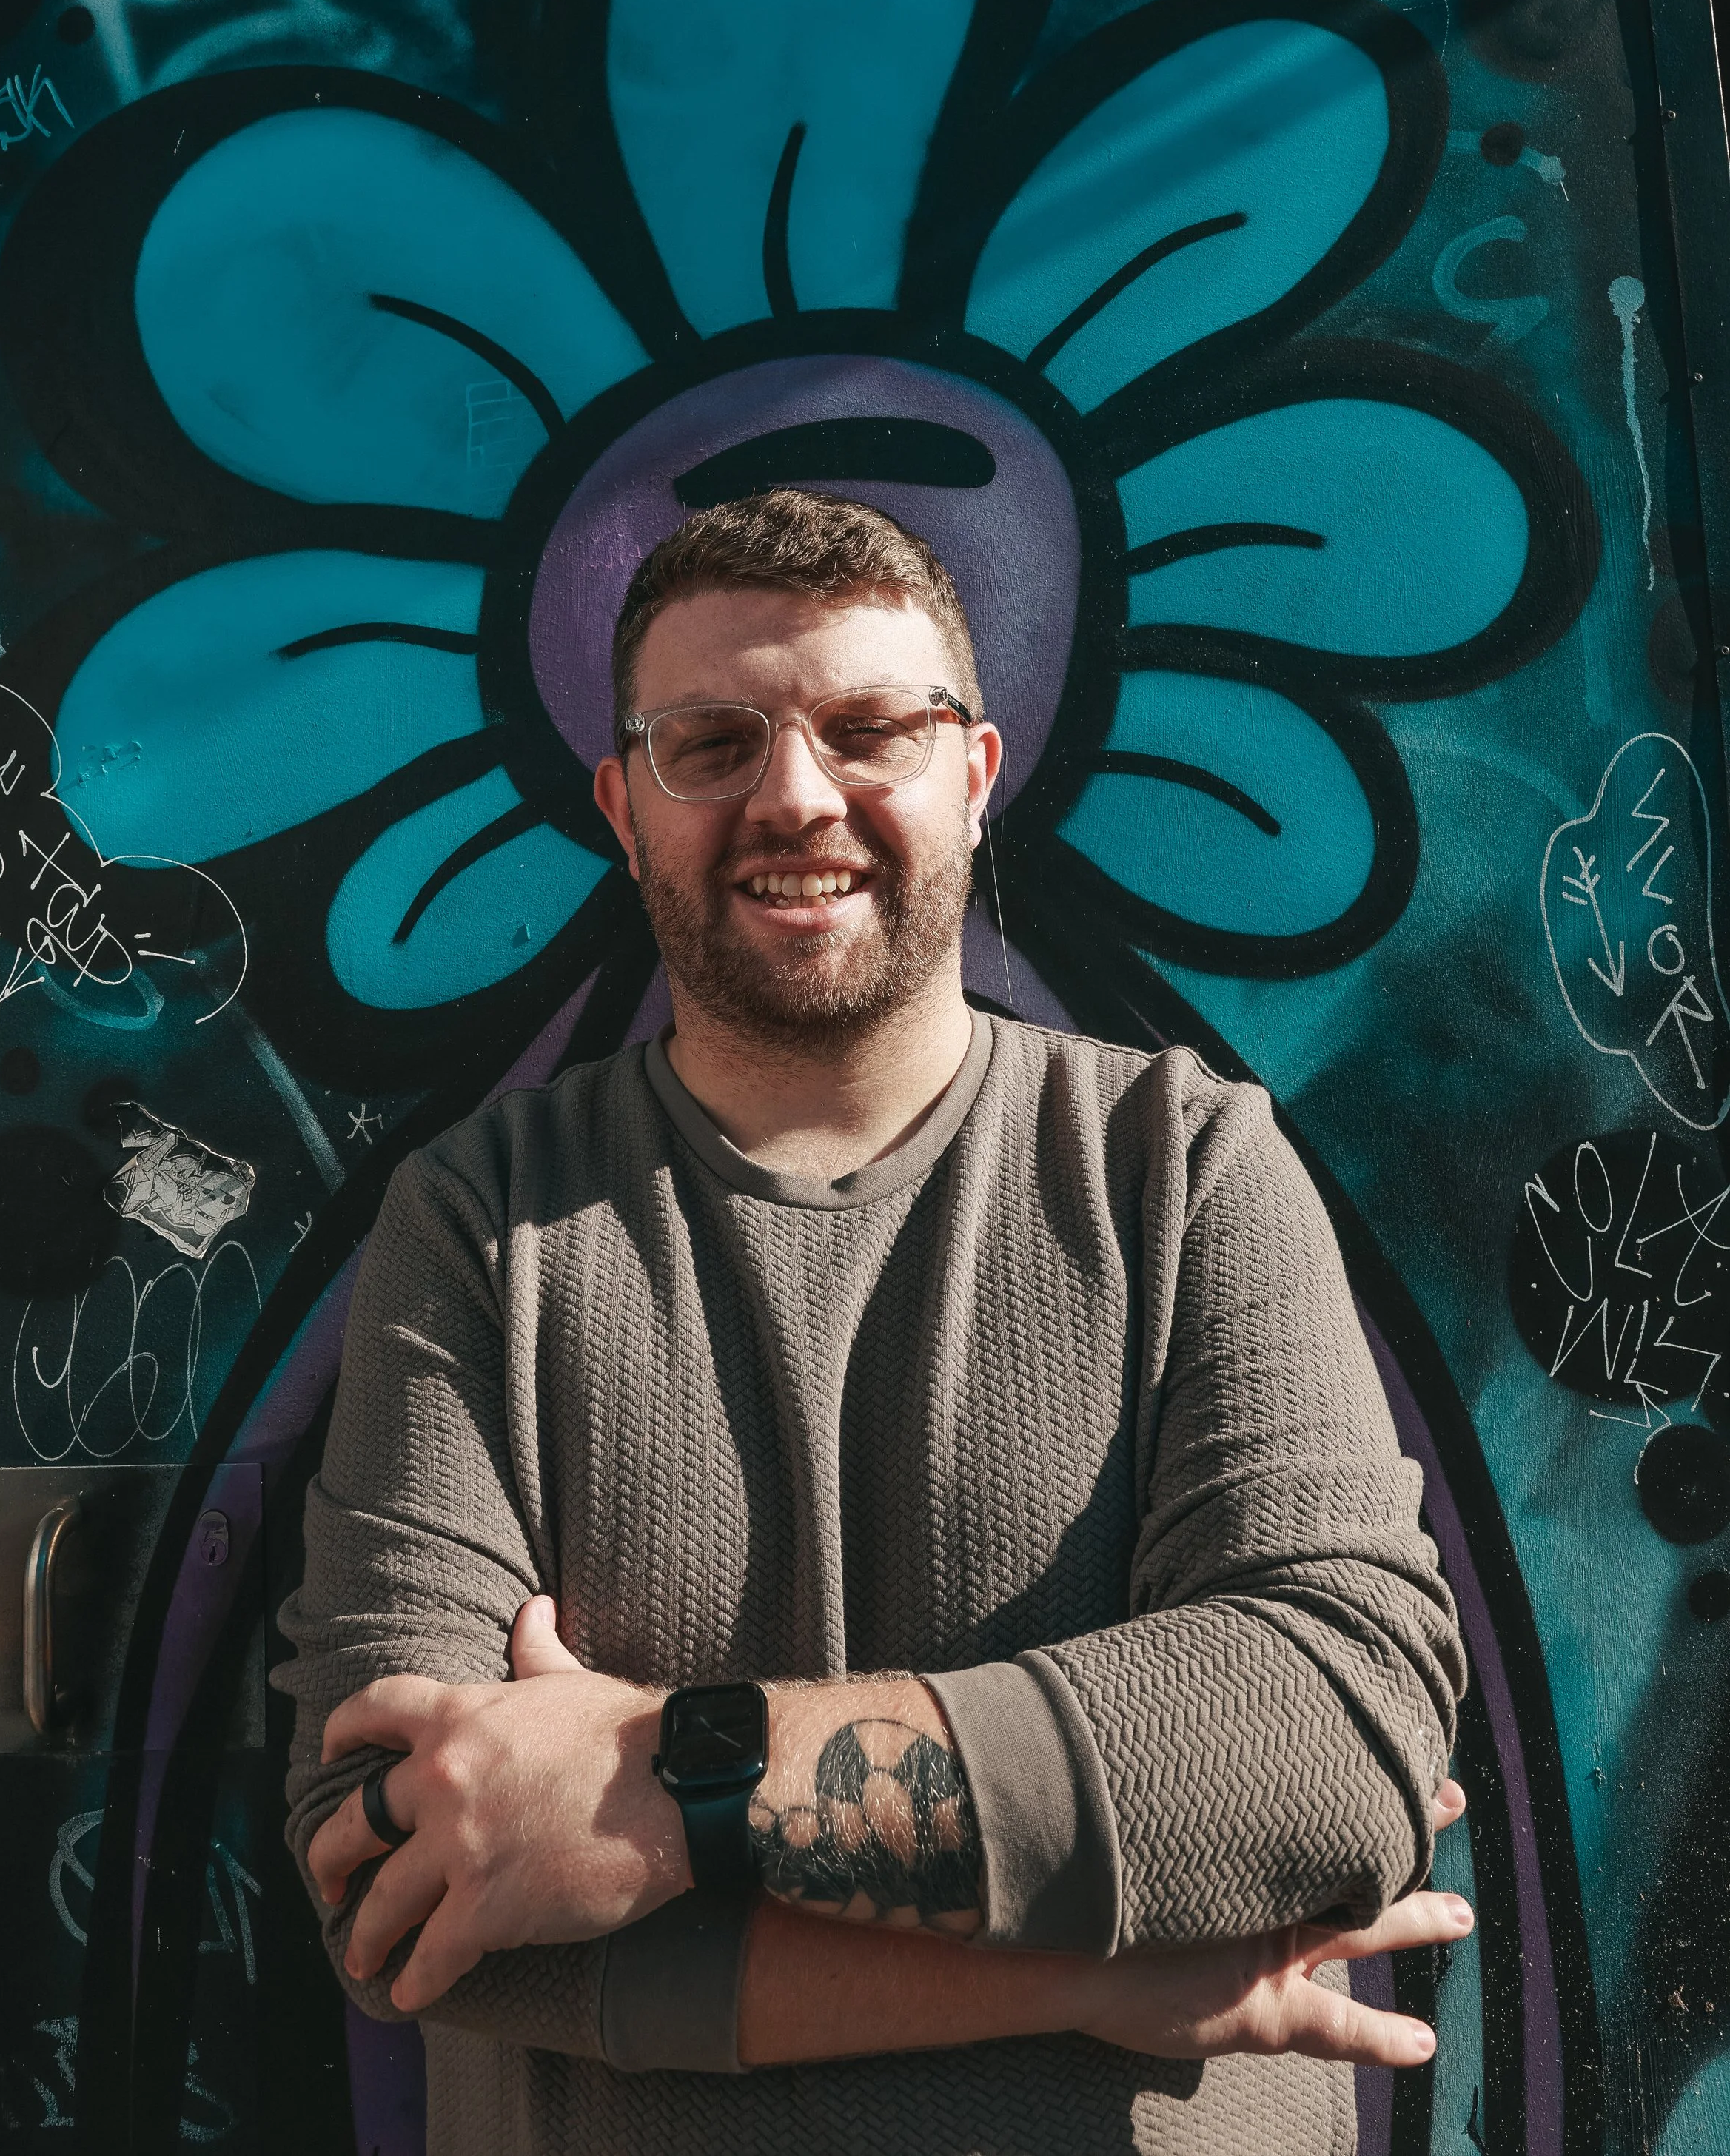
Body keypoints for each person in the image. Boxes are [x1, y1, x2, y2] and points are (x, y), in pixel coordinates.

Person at [275, 488, 1470, 2155]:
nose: (792, 795)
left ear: (973, 780)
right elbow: (392, 1882)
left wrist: (652, 1786)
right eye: (710, 743)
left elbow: (1332, 1740)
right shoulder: (481, 1223)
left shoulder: (1186, 1167)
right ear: (624, 808)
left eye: (866, 730)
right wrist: (1084, 1973)